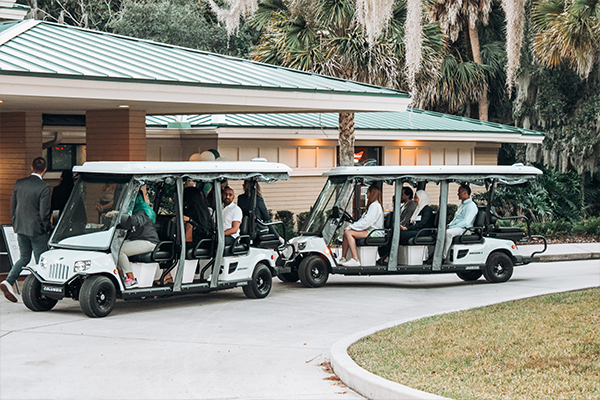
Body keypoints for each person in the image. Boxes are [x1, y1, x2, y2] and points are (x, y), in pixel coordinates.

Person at [2, 157, 52, 303]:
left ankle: (8, 281)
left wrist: (15, 222)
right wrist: (47, 228)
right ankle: (42, 291)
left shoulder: (19, 183)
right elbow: (44, 213)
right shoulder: (44, 187)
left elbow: (13, 206)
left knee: (24, 257)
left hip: (20, 227)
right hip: (37, 230)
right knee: (41, 260)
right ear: (44, 170)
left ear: (31, 168)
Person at [108, 193, 160, 289]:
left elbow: (136, 220)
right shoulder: (131, 211)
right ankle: (121, 277)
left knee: (120, 250)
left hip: (149, 241)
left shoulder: (143, 211)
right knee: (113, 246)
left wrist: (119, 215)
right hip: (137, 239)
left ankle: (131, 279)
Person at [340, 184, 384, 267]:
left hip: (374, 232)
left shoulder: (375, 206)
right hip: (370, 230)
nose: (366, 194)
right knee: (346, 232)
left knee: (349, 233)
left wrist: (352, 227)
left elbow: (367, 222)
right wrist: (352, 226)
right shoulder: (372, 206)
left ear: (372, 193)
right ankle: (343, 258)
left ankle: (355, 259)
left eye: (368, 192)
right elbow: (363, 221)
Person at [443, 184, 478, 261]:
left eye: (459, 192)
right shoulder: (462, 205)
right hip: (458, 228)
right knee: (441, 232)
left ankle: (443, 256)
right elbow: (456, 219)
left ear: (465, 192)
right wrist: (449, 225)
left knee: (448, 233)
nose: (458, 194)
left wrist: (451, 227)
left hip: (466, 229)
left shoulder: (471, 206)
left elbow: (466, 222)